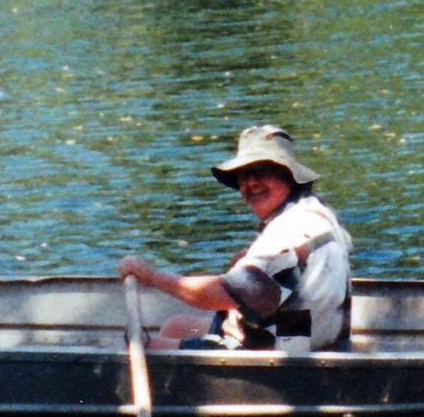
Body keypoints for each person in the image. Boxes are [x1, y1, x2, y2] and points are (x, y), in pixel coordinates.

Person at [118, 125, 353, 352]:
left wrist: (151, 276)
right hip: (305, 332)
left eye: (261, 172)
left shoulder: (287, 233)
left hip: (280, 352)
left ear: (288, 176)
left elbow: (219, 294)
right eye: (243, 175)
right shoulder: (317, 213)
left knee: (147, 347)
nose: (250, 183)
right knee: (177, 325)